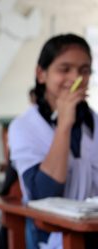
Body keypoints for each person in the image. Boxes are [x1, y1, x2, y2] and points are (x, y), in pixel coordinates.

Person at [9, 33, 98, 249]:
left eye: (84, 71)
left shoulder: (93, 122)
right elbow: (43, 194)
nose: (76, 79)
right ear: (41, 74)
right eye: (64, 69)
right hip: (53, 237)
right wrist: (64, 125)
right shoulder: (24, 126)